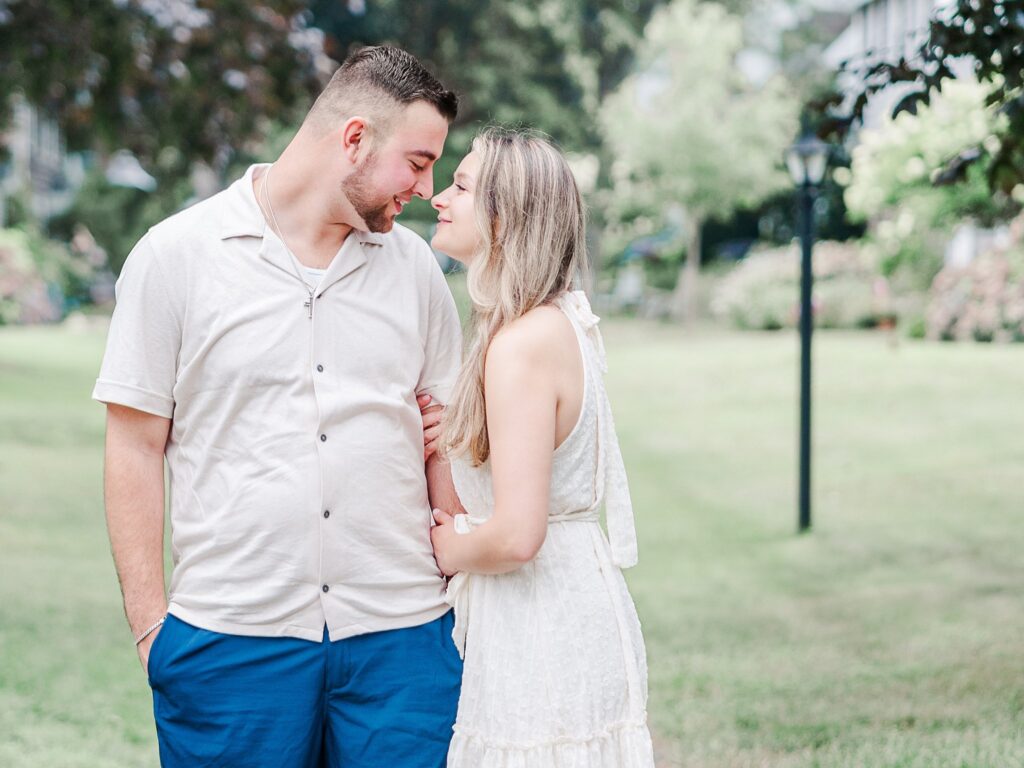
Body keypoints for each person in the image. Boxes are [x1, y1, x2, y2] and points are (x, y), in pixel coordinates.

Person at [92, 46, 466, 767]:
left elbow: (444, 435)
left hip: (404, 642)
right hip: (229, 642)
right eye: (418, 162)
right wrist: (150, 630)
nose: (427, 187)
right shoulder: (176, 256)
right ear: (354, 138)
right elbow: (134, 446)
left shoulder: (416, 270)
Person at [427, 127, 656, 766]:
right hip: (563, 607)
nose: (439, 197)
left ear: (504, 217)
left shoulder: (523, 342)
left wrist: (449, 547)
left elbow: (517, 536)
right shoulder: (552, 324)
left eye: (462, 185)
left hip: (543, 628)